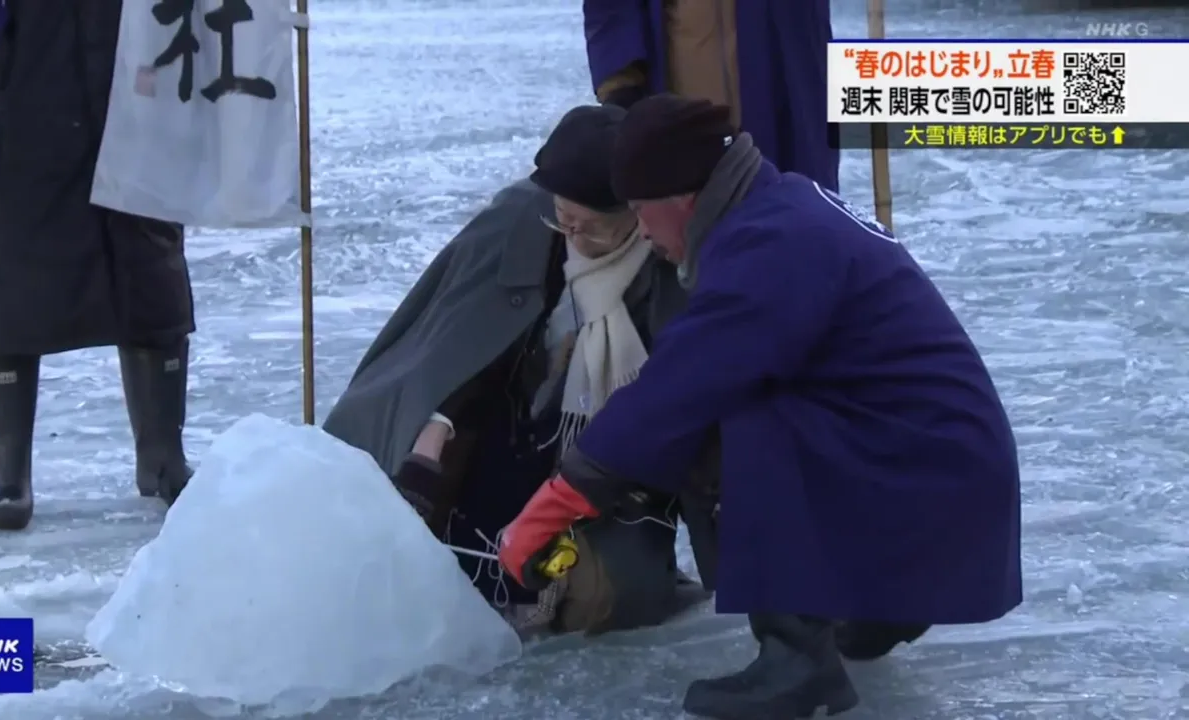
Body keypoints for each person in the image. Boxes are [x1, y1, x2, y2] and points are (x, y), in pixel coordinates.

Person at [497, 95, 1023, 719]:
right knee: (771, 400)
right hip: (938, 466)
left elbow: (678, 390)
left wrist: (555, 502)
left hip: (927, 475)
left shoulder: (768, 246)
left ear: (681, 198)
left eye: (640, 211)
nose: (643, 232)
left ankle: (797, 661)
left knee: (745, 413)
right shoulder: (778, 205)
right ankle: (876, 611)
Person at [323, 104, 712, 634]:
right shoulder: (518, 220)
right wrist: (431, 438)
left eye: (592, 228)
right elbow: (452, 345)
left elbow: (679, 412)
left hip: (613, 471)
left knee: (605, 597)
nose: (573, 238)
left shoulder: (671, 259)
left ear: (635, 213)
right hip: (500, 435)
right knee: (428, 560)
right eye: (563, 220)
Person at [0, 0, 195, 531]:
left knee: (146, 257)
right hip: (25, 76)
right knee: (10, 266)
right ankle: (6, 473)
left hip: (135, 65)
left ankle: (163, 456)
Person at [583, 0, 839, 191]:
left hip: (794, 84)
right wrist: (620, 86)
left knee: (804, 204)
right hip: (686, 112)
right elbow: (610, 8)